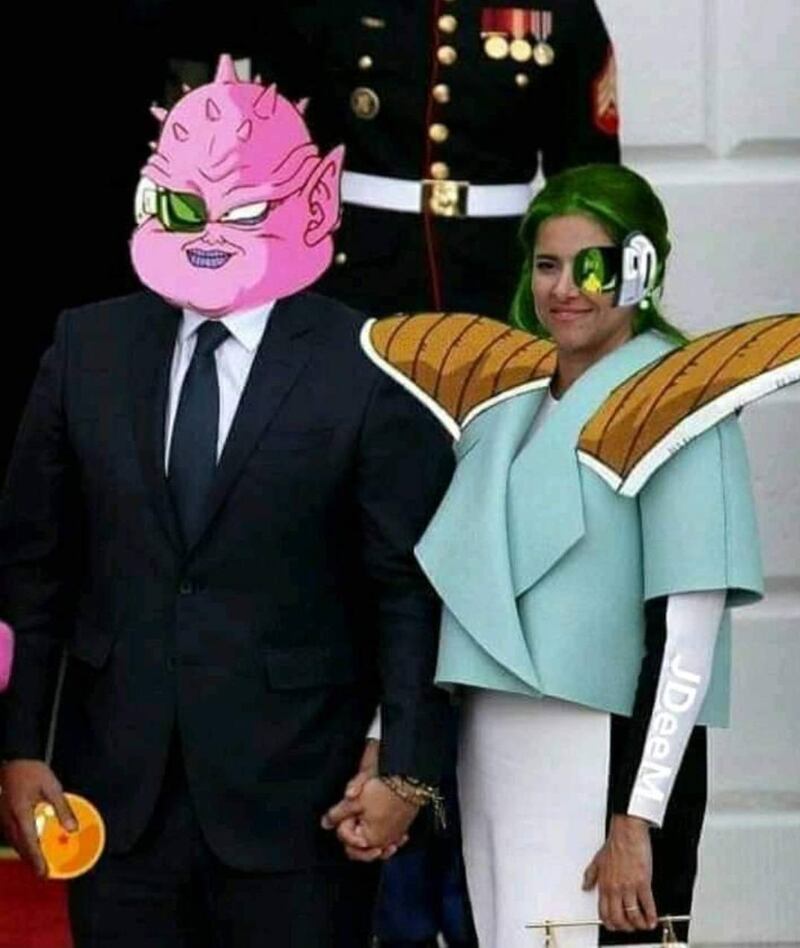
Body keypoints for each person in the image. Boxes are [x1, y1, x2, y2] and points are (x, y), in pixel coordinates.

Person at [0, 55, 452, 948]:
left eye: (240, 207)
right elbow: (33, 567)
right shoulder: (86, 347)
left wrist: (405, 766)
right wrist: (18, 749)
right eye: (184, 205)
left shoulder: (367, 364)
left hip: (301, 805)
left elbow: (408, 589)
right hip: (114, 799)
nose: (209, 228)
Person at [347, 163, 774, 946]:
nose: (566, 288)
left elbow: (686, 636)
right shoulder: (499, 410)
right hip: (492, 761)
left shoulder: (681, 407)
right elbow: (454, 602)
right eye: (548, 264)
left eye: (594, 267)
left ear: (640, 268)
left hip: (608, 767)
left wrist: (636, 820)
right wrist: (391, 748)